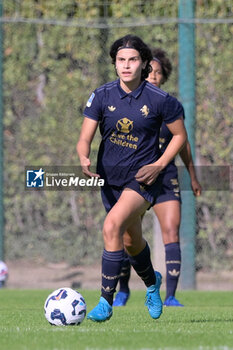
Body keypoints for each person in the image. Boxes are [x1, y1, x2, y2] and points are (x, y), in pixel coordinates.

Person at [77, 35, 187, 322]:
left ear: (144, 64)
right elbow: (84, 137)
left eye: (133, 60)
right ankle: (152, 284)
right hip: (109, 180)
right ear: (114, 64)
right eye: (121, 60)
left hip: (142, 179)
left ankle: (105, 301)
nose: (127, 66)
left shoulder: (161, 100)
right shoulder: (101, 95)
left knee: (111, 225)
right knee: (130, 240)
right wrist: (83, 156)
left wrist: (160, 164)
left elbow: (180, 136)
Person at [113, 48, 202, 308]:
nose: (152, 76)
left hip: (165, 178)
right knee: (126, 235)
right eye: (148, 72)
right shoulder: (126, 101)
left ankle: (171, 296)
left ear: (163, 77)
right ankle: (123, 291)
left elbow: (183, 144)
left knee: (172, 230)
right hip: (135, 179)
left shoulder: (171, 105)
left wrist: (193, 176)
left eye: (158, 73)